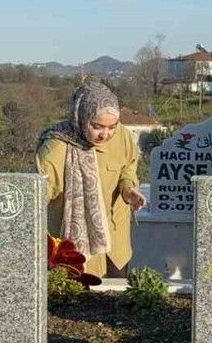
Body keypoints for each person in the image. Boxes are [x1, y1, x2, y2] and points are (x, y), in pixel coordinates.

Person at [36, 83, 147, 279]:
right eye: (97, 126)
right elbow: (36, 197)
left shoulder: (122, 137)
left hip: (115, 247)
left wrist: (128, 190)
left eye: (112, 127)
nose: (105, 134)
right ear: (82, 117)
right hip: (70, 251)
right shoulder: (56, 148)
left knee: (114, 303)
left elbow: (128, 167)